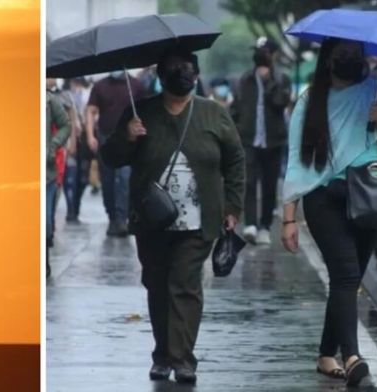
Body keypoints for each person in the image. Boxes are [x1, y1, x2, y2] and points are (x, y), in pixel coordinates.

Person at [101, 48, 245, 384]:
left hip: (199, 221)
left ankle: (182, 359)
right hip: (151, 220)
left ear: (196, 73)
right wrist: (127, 136)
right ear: (161, 75)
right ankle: (162, 353)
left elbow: (235, 160)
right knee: (157, 285)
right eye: (175, 67)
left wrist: (232, 207)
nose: (183, 72)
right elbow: (110, 157)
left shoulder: (213, 114)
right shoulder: (141, 112)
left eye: (188, 67)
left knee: (184, 284)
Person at [281, 38, 377, 386]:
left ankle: (327, 354)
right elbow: (296, 160)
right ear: (329, 61)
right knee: (344, 275)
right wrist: (289, 217)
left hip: (369, 195)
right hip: (322, 198)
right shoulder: (309, 100)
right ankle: (353, 357)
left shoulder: (376, 92)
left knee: (349, 280)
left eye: (354, 57)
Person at [236, 37, 292, 245]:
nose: (261, 56)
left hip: (273, 142)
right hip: (249, 140)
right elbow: (237, 107)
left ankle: (265, 225)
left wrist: (269, 82)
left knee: (269, 187)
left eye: (266, 52)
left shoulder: (282, 80)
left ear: (274, 55)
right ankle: (250, 224)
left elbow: (280, 102)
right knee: (249, 183)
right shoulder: (245, 79)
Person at [86, 71, 146, 236]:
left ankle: (122, 218)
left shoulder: (136, 85)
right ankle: (112, 216)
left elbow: (145, 110)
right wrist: (90, 135)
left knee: (125, 178)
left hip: (127, 140)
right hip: (105, 138)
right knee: (108, 180)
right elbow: (91, 110)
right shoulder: (100, 86)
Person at [46, 78, 71, 277]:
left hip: (46, 172)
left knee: (46, 223)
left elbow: (65, 125)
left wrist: (53, 145)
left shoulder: (49, 100)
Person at [61, 78, 92, 223]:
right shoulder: (64, 95)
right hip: (70, 141)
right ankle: (71, 209)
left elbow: (94, 113)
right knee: (70, 177)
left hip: (85, 143)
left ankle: (76, 205)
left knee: (83, 179)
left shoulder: (88, 93)